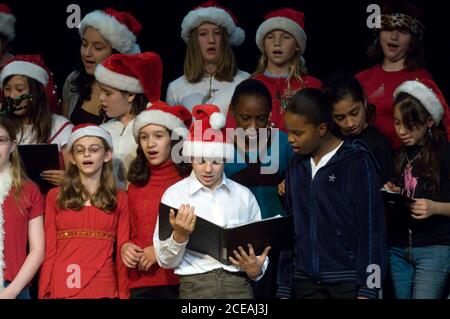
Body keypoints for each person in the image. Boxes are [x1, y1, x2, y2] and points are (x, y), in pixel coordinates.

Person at [277, 88, 386, 299]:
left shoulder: (356, 160)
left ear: (321, 128)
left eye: (298, 133)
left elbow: (373, 228)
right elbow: (289, 228)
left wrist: (369, 287)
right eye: (288, 131)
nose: (290, 139)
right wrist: (284, 286)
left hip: (348, 280)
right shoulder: (294, 166)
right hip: (304, 280)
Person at [154, 104, 270, 299]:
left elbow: (258, 253)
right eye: (201, 161)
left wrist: (255, 269)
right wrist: (179, 236)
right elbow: (165, 261)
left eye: (216, 161)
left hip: (238, 285)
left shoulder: (243, 195)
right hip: (195, 287)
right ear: (191, 158)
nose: (208, 169)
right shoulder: (175, 195)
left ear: (225, 158)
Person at [38, 124, 130, 299]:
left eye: (94, 149)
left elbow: (121, 252)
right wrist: (44, 292)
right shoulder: (55, 196)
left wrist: (124, 293)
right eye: (80, 150)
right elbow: (50, 250)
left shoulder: (120, 198)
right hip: (63, 283)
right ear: (72, 157)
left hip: (103, 285)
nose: (87, 154)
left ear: (107, 155)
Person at [225, 78, 293, 298]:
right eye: (245, 118)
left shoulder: (284, 143)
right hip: (237, 240)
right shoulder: (220, 146)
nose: (253, 127)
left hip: (276, 242)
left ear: (270, 115)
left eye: (261, 119)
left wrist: (289, 181)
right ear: (232, 111)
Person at [383, 79, 450, 299]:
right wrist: (393, 191)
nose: (401, 131)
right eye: (396, 122)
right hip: (398, 247)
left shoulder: (443, 153)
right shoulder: (400, 154)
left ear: (429, 121)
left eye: (410, 125)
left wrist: (435, 208)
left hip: (433, 248)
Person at [120, 101, 192, 299]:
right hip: (141, 281)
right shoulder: (135, 185)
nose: (150, 144)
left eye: (158, 136)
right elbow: (131, 232)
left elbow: (197, 232)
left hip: (178, 281)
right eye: (144, 137)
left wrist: (158, 251)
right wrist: (126, 248)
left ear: (174, 139)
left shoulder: (188, 181)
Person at [355, 1, 447, 148]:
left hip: (406, 164)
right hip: (369, 162)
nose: (394, 36)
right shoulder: (362, 79)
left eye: (403, 31)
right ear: (379, 34)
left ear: (413, 39)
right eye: (388, 29)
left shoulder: (421, 79)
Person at [228, 8, 321, 131]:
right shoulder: (248, 87)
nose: (277, 42)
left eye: (286, 37)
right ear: (263, 44)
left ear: (297, 45)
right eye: (270, 37)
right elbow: (232, 130)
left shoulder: (312, 86)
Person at [1, 55, 73, 187]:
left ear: (38, 91)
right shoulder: (2, 126)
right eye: (7, 89)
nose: (12, 96)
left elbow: (77, 175)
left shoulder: (60, 126)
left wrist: (68, 180)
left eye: (19, 89)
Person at [166, 0, 249, 114]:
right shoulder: (175, 88)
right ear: (194, 41)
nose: (211, 40)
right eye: (203, 34)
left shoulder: (245, 81)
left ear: (225, 40)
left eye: (217, 33)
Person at [62, 8, 142, 125]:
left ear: (116, 53)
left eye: (98, 47)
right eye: (84, 44)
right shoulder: (73, 80)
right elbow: (63, 131)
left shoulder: (131, 90)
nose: (87, 53)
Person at [95, 52, 163, 189]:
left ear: (131, 94)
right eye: (101, 91)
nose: (101, 98)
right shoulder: (103, 130)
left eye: (108, 93)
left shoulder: (151, 128)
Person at [0, 117, 44, 299]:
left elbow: (37, 249)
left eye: (1, 141)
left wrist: (10, 292)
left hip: (14, 287)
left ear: (12, 145)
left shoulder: (28, 190)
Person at [323, 72, 394, 184]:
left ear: (364, 102)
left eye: (354, 113)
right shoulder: (327, 141)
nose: (350, 123)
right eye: (340, 118)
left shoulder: (378, 145)